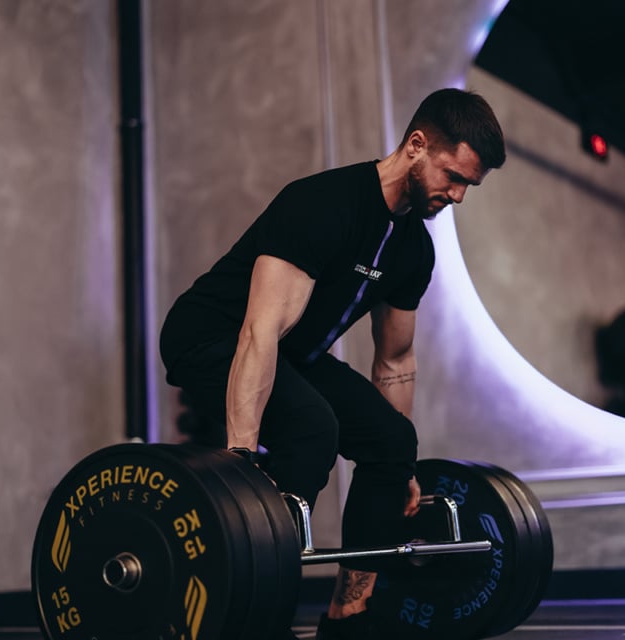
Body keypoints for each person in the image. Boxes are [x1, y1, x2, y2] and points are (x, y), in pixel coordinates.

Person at [159, 88, 506, 640]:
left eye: (470, 185)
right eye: (454, 176)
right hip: (210, 336)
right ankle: (254, 605)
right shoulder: (323, 203)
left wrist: (400, 474)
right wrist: (242, 460)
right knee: (310, 427)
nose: (459, 196)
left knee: (391, 444)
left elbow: (395, 359)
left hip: (295, 352)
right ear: (416, 145)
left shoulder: (414, 249)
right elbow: (259, 330)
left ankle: (349, 615)